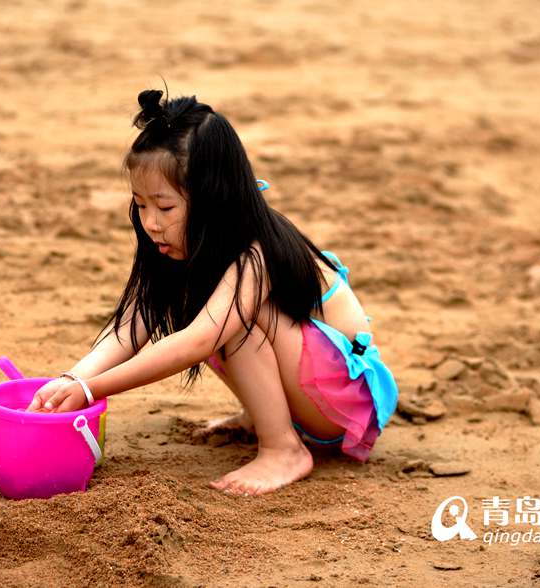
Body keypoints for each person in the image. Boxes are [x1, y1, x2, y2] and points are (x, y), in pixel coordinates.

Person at [26, 89, 399, 496]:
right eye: (140, 204)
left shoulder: (258, 249)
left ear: (214, 197)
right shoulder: (175, 242)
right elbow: (132, 325)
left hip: (344, 400)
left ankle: (283, 449)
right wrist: (74, 378)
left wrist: (91, 390)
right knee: (219, 314)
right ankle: (264, 416)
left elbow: (199, 340)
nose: (151, 223)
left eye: (165, 208)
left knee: (226, 324)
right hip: (308, 386)